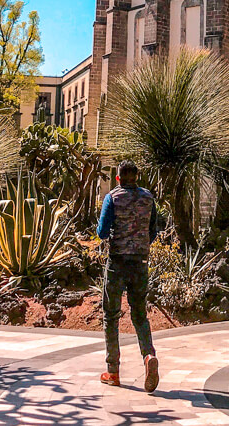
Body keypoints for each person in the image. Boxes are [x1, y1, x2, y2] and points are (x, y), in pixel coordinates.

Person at [96, 160, 160, 391]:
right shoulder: (148, 198)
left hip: (117, 262)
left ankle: (112, 371)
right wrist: (141, 244)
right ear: (137, 177)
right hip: (140, 261)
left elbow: (102, 232)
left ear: (118, 178)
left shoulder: (112, 198)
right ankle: (148, 356)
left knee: (111, 315)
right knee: (139, 314)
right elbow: (154, 230)